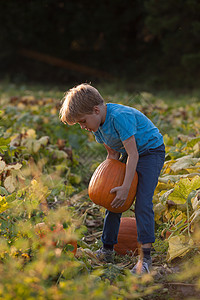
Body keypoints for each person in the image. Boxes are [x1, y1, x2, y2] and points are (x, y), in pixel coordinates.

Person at [59, 83, 165, 274]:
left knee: (142, 202)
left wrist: (126, 186)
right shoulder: (97, 127)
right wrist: (109, 183)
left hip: (150, 152)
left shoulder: (119, 118)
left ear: (96, 110)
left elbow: (134, 155)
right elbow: (113, 155)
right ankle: (107, 249)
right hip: (130, 153)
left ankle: (146, 260)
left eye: (83, 121)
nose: (83, 127)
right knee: (113, 200)